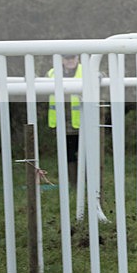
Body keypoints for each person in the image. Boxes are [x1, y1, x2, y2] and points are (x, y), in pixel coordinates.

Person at [47, 54, 82, 189]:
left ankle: (87, 183)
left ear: (77, 58)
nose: (70, 61)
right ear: (62, 60)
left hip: (82, 122)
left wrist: (100, 75)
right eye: (67, 58)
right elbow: (39, 82)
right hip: (63, 122)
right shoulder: (52, 72)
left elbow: (101, 74)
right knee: (68, 154)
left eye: (73, 58)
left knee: (85, 154)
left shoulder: (84, 70)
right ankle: (73, 184)